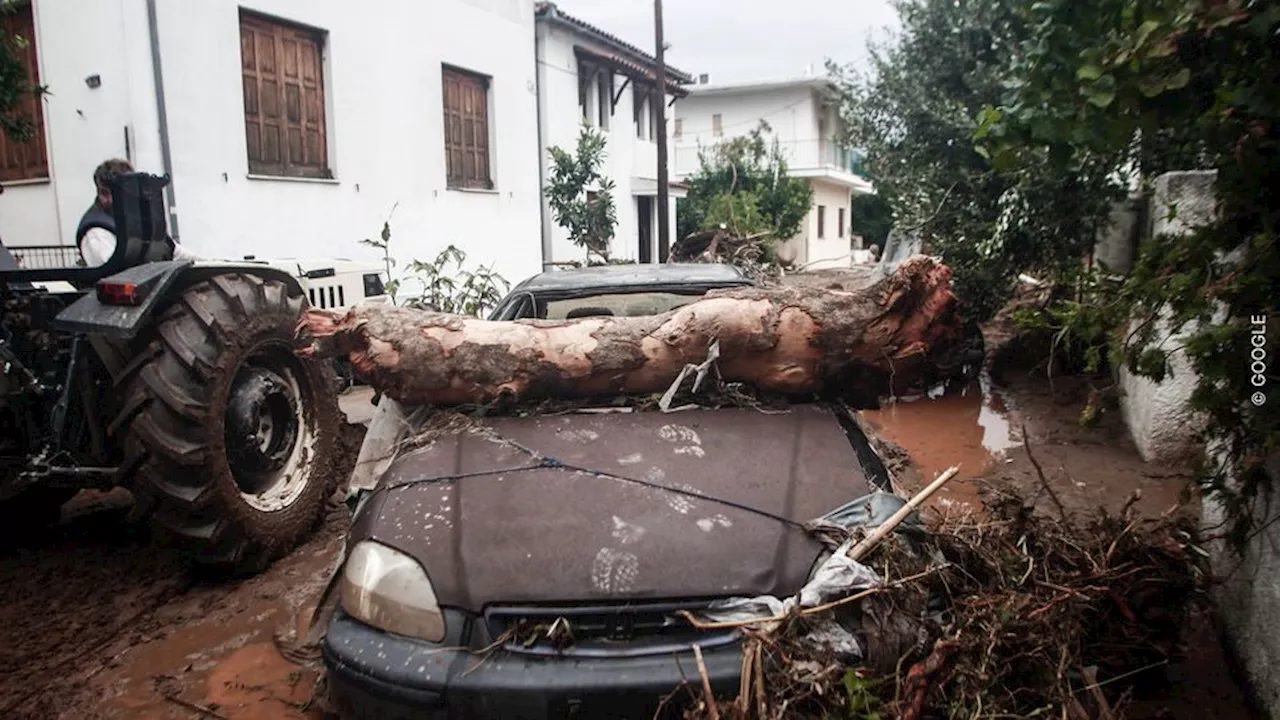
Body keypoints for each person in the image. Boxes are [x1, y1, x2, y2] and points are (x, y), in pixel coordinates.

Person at [76, 158, 199, 267]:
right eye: (104, 193)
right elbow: (111, 274)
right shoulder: (96, 232)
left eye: (114, 193)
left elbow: (173, 250)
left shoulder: (136, 220)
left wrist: (206, 264)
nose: (109, 199)